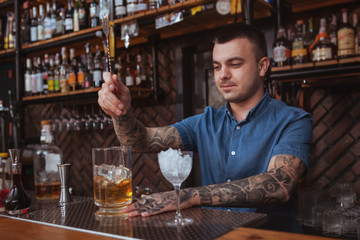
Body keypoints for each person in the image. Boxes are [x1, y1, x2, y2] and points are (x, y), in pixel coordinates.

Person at [98, 24, 313, 233]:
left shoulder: (293, 120)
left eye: (235, 64)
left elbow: (279, 184)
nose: (222, 75)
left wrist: (189, 196)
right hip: (215, 235)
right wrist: (121, 110)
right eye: (217, 66)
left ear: (262, 66)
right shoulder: (205, 122)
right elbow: (140, 141)